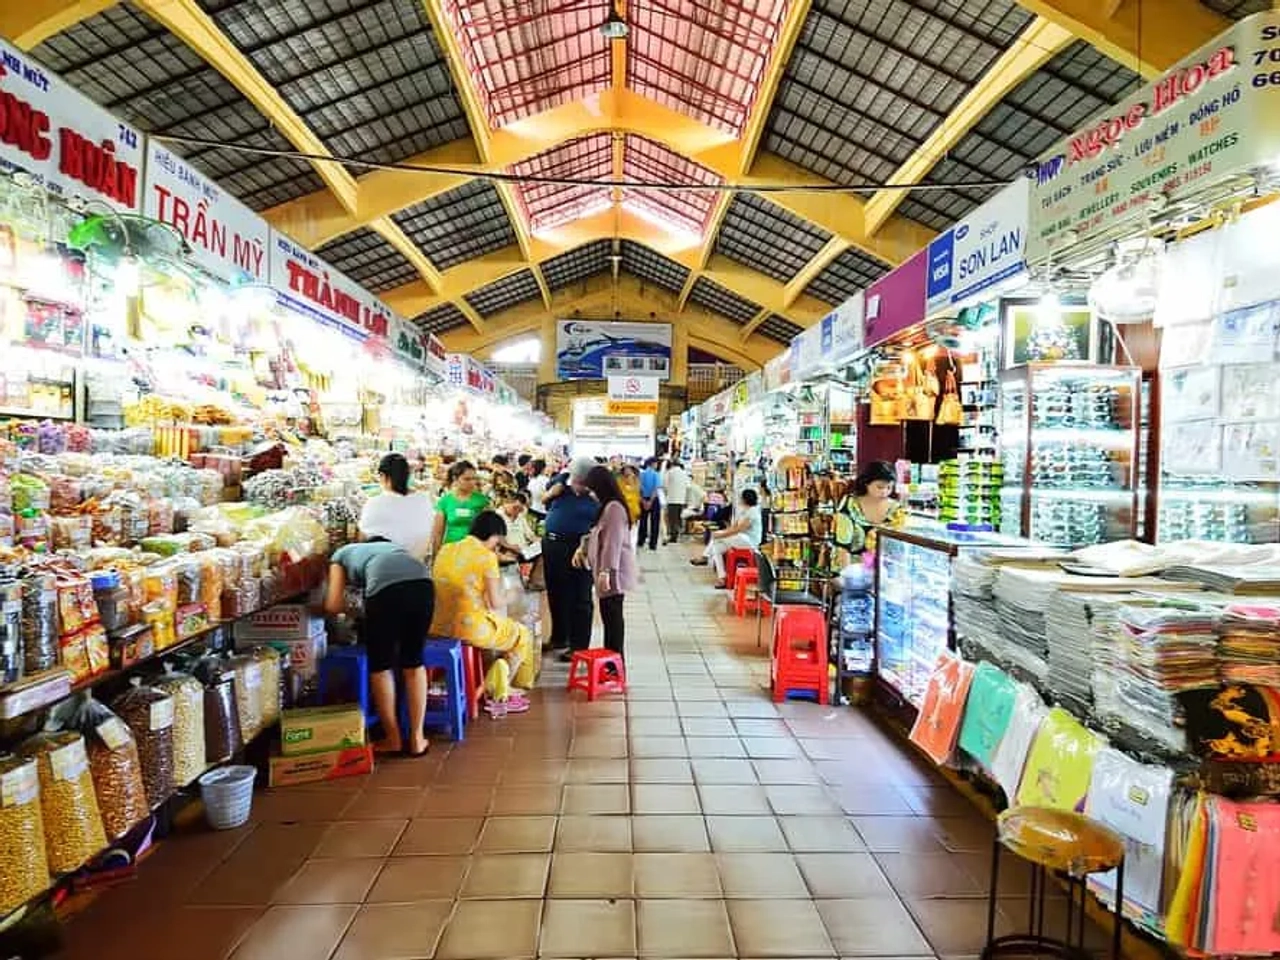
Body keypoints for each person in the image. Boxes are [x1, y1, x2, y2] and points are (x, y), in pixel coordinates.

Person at [323, 539, 433, 756]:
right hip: (424, 585)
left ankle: (393, 738)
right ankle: (417, 739)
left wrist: (359, 613)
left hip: (386, 591)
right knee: (414, 661)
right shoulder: (398, 548)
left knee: (381, 666)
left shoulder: (340, 555)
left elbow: (333, 605)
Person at [432, 511, 534, 714]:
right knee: (521, 634)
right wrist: (512, 594)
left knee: (493, 626)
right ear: (495, 536)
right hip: (469, 630)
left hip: (438, 625)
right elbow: (496, 602)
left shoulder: (446, 548)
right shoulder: (486, 557)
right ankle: (501, 691)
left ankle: (487, 682)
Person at [541, 456, 598, 659]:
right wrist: (553, 491)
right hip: (553, 544)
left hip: (581, 547)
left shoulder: (597, 495)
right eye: (576, 480)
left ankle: (579, 645)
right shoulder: (560, 483)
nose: (578, 485)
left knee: (580, 596)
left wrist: (594, 496)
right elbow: (544, 499)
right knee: (556, 591)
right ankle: (559, 637)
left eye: (583, 482)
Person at [579, 465, 637, 660]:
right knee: (609, 618)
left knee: (613, 620)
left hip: (613, 574)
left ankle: (615, 664)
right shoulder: (607, 507)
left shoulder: (614, 508)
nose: (592, 495)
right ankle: (612, 662)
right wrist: (583, 549)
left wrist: (606, 572)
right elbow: (597, 534)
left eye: (593, 490)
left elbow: (613, 542)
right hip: (607, 571)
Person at [358, 453, 434, 560]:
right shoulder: (424, 499)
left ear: (383, 476)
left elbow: (362, 539)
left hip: (384, 566)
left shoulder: (375, 503)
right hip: (417, 565)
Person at [833, 461, 906, 562]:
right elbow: (842, 546)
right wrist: (848, 575)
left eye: (889, 487)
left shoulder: (896, 510)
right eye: (879, 487)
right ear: (867, 483)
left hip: (884, 572)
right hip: (851, 568)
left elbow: (898, 548)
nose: (884, 492)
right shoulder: (850, 504)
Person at [692, 487, 764, 588]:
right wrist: (721, 533)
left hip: (749, 541)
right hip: (740, 538)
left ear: (745, 499)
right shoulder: (743, 510)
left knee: (717, 537)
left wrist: (721, 534)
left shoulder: (753, 511)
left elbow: (738, 529)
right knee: (717, 547)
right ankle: (722, 577)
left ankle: (705, 557)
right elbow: (733, 527)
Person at [432, 460, 489, 557]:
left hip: (474, 552)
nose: (472, 483)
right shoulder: (445, 501)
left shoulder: (482, 501)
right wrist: (436, 557)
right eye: (467, 479)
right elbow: (438, 533)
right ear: (455, 478)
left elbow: (490, 530)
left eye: (474, 479)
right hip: (450, 551)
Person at [637, 457, 662, 551]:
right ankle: (653, 544)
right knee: (655, 522)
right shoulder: (656, 474)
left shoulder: (641, 474)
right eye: (656, 463)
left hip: (643, 499)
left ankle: (641, 540)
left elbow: (638, 489)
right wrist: (651, 501)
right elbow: (656, 489)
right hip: (654, 500)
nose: (657, 465)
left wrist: (643, 501)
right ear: (652, 464)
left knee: (643, 521)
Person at [662, 459, 690, 544]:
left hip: (672, 499)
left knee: (672, 519)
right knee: (678, 518)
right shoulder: (684, 473)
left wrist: (667, 492)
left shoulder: (670, 472)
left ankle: (673, 537)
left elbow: (665, 485)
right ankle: (677, 535)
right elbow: (688, 486)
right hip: (681, 499)